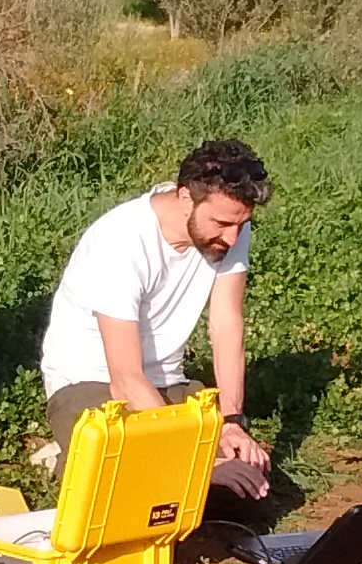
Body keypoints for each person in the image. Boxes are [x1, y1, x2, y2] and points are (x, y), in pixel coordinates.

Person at [35, 140, 275, 498]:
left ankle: (122, 460)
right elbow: (125, 379)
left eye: (242, 224)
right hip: (94, 385)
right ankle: (72, 457)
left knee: (242, 488)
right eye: (223, 223)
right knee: (148, 491)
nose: (232, 237)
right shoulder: (120, 241)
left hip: (167, 384)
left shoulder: (230, 225)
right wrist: (196, 463)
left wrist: (231, 422)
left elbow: (227, 325)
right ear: (185, 198)